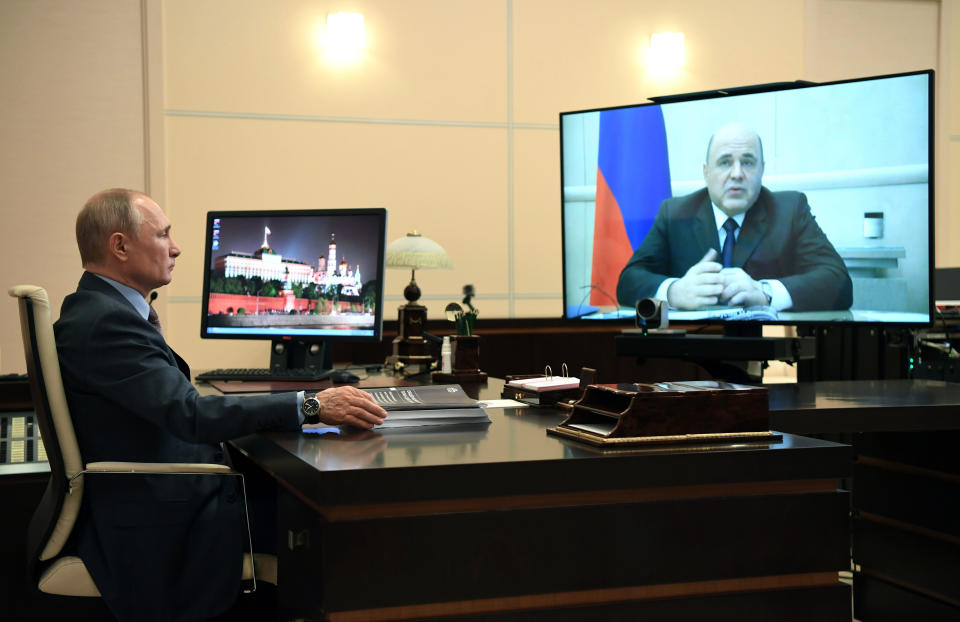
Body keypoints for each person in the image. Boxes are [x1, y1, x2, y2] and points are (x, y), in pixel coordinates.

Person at [53, 188, 388, 622]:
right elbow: (190, 415)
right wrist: (309, 405)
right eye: (163, 235)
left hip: (162, 495)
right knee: (332, 517)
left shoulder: (97, 310)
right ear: (119, 246)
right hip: (164, 518)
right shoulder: (105, 322)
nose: (176, 248)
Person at [616, 122, 852, 312]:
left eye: (748, 163)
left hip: (768, 348)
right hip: (692, 348)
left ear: (762, 170)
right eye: (725, 162)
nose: (737, 174)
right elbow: (628, 281)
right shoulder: (675, 213)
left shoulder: (790, 210)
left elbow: (839, 282)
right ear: (706, 173)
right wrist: (674, 292)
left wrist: (765, 293)